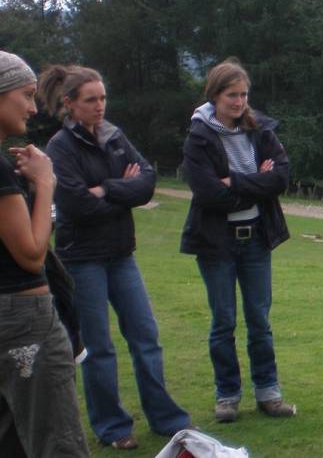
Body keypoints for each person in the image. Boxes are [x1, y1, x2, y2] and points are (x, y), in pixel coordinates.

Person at [41, 65, 191, 449]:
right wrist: (121, 190)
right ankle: (112, 427)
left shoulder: (114, 136)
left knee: (146, 336)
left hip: (121, 254)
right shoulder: (60, 147)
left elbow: (146, 182)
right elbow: (75, 204)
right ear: (70, 104)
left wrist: (106, 188)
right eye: (91, 100)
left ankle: (166, 419)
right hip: (82, 259)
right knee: (99, 346)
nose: (100, 106)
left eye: (103, 98)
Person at [181, 59, 296, 423]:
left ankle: (269, 393)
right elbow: (208, 193)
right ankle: (227, 396)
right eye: (232, 95)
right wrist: (253, 183)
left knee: (259, 319)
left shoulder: (260, 129)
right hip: (217, 242)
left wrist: (234, 182)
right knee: (224, 321)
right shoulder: (199, 136)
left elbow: (281, 176)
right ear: (215, 95)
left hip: (256, 240)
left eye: (244, 94)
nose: (239, 101)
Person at [0, 50, 89, 456]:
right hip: (23, 321)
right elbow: (32, 254)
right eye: (27, 95)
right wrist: (45, 182)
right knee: (57, 441)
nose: (34, 108)